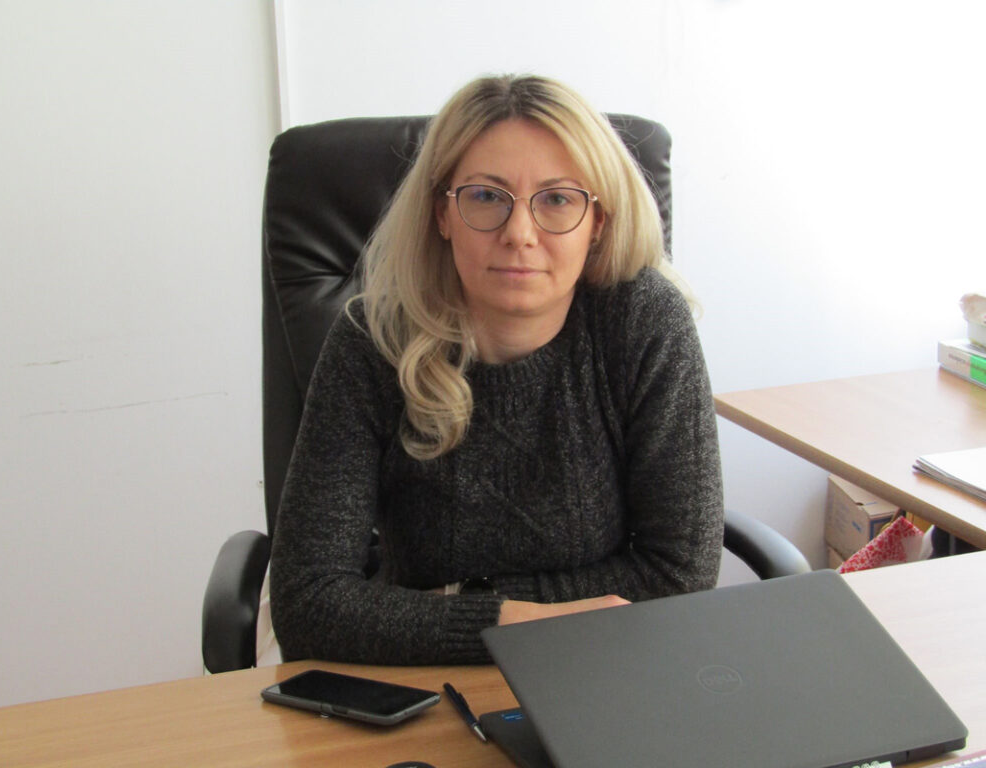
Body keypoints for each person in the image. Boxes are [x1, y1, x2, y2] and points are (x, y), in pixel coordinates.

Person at [270, 74, 723, 665]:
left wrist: (458, 608)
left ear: (599, 222)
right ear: (442, 212)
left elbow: (681, 572)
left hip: (602, 666)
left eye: (557, 199)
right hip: (423, 679)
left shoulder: (645, 323)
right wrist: (503, 621)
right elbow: (306, 601)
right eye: (486, 196)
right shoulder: (371, 342)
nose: (519, 234)